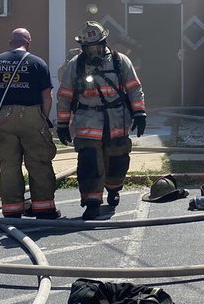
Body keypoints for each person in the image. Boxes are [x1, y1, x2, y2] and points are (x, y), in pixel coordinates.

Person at [56, 22, 146, 220]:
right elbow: (65, 95)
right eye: (89, 47)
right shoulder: (75, 65)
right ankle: (92, 202)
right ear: (83, 47)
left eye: (97, 45)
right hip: (87, 123)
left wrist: (139, 113)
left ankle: (113, 190)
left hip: (117, 121)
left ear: (104, 41)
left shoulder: (120, 61)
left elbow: (133, 88)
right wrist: (62, 124)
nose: (94, 50)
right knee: (89, 163)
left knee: (117, 161)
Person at [0, 28, 59, 220]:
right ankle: (44, 209)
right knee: (39, 162)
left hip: (3, 117)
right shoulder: (37, 63)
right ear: (28, 43)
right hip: (32, 116)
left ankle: (12, 209)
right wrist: (43, 119)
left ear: (10, 42)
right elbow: (47, 96)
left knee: (9, 165)